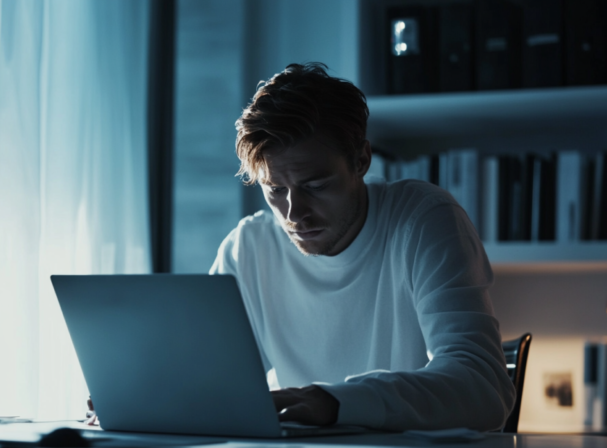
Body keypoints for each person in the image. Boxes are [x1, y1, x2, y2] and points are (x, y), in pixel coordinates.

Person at [208, 62, 516, 431]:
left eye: (316, 185)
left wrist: (336, 403)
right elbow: (209, 385)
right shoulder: (247, 248)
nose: (294, 213)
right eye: (275, 190)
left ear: (362, 161)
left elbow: (483, 389)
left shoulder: (423, 220)